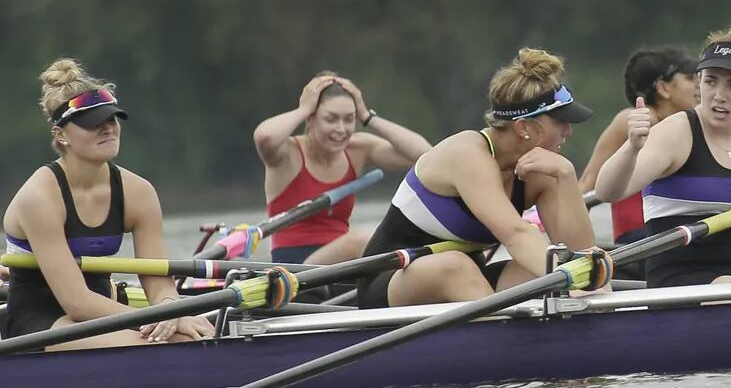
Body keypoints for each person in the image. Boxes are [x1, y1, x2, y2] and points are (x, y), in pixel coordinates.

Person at [357, 48, 596, 309]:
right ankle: (504, 343)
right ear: (523, 127)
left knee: (544, 271)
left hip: (470, 282)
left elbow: (582, 253)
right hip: (393, 282)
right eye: (560, 121)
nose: (568, 131)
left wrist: (567, 176)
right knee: (456, 265)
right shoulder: (467, 155)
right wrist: (573, 279)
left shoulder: (541, 171)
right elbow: (516, 236)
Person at [2, 58, 213, 349]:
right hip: (39, 323)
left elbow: (158, 281)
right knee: (161, 343)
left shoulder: (139, 192)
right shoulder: (39, 198)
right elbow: (76, 302)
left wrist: (170, 310)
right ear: (60, 135)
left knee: (191, 335)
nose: (107, 129)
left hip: (102, 313)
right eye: (92, 123)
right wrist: (157, 317)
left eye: (111, 119)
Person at [595, 21, 731, 288]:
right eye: (711, 81)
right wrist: (631, 147)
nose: (719, 95)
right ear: (699, 82)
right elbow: (607, 192)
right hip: (677, 286)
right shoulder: (675, 133)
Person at [254, 71, 431, 266]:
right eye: (331, 119)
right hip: (294, 268)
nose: (341, 129)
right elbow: (265, 137)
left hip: (344, 264)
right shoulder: (287, 154)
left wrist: (367, 117)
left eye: (349, 119)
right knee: (363, 239)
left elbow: (424, 154)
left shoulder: (357, 149)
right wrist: (303, 109)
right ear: (311, 120)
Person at [579, 46, 699, 244]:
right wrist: (579, 247)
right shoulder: (634, 121)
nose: (699, 86)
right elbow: (587, 185)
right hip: (637, 240)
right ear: (664, 88)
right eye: (689, 79)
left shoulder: (694, 125)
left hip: (679, 235)